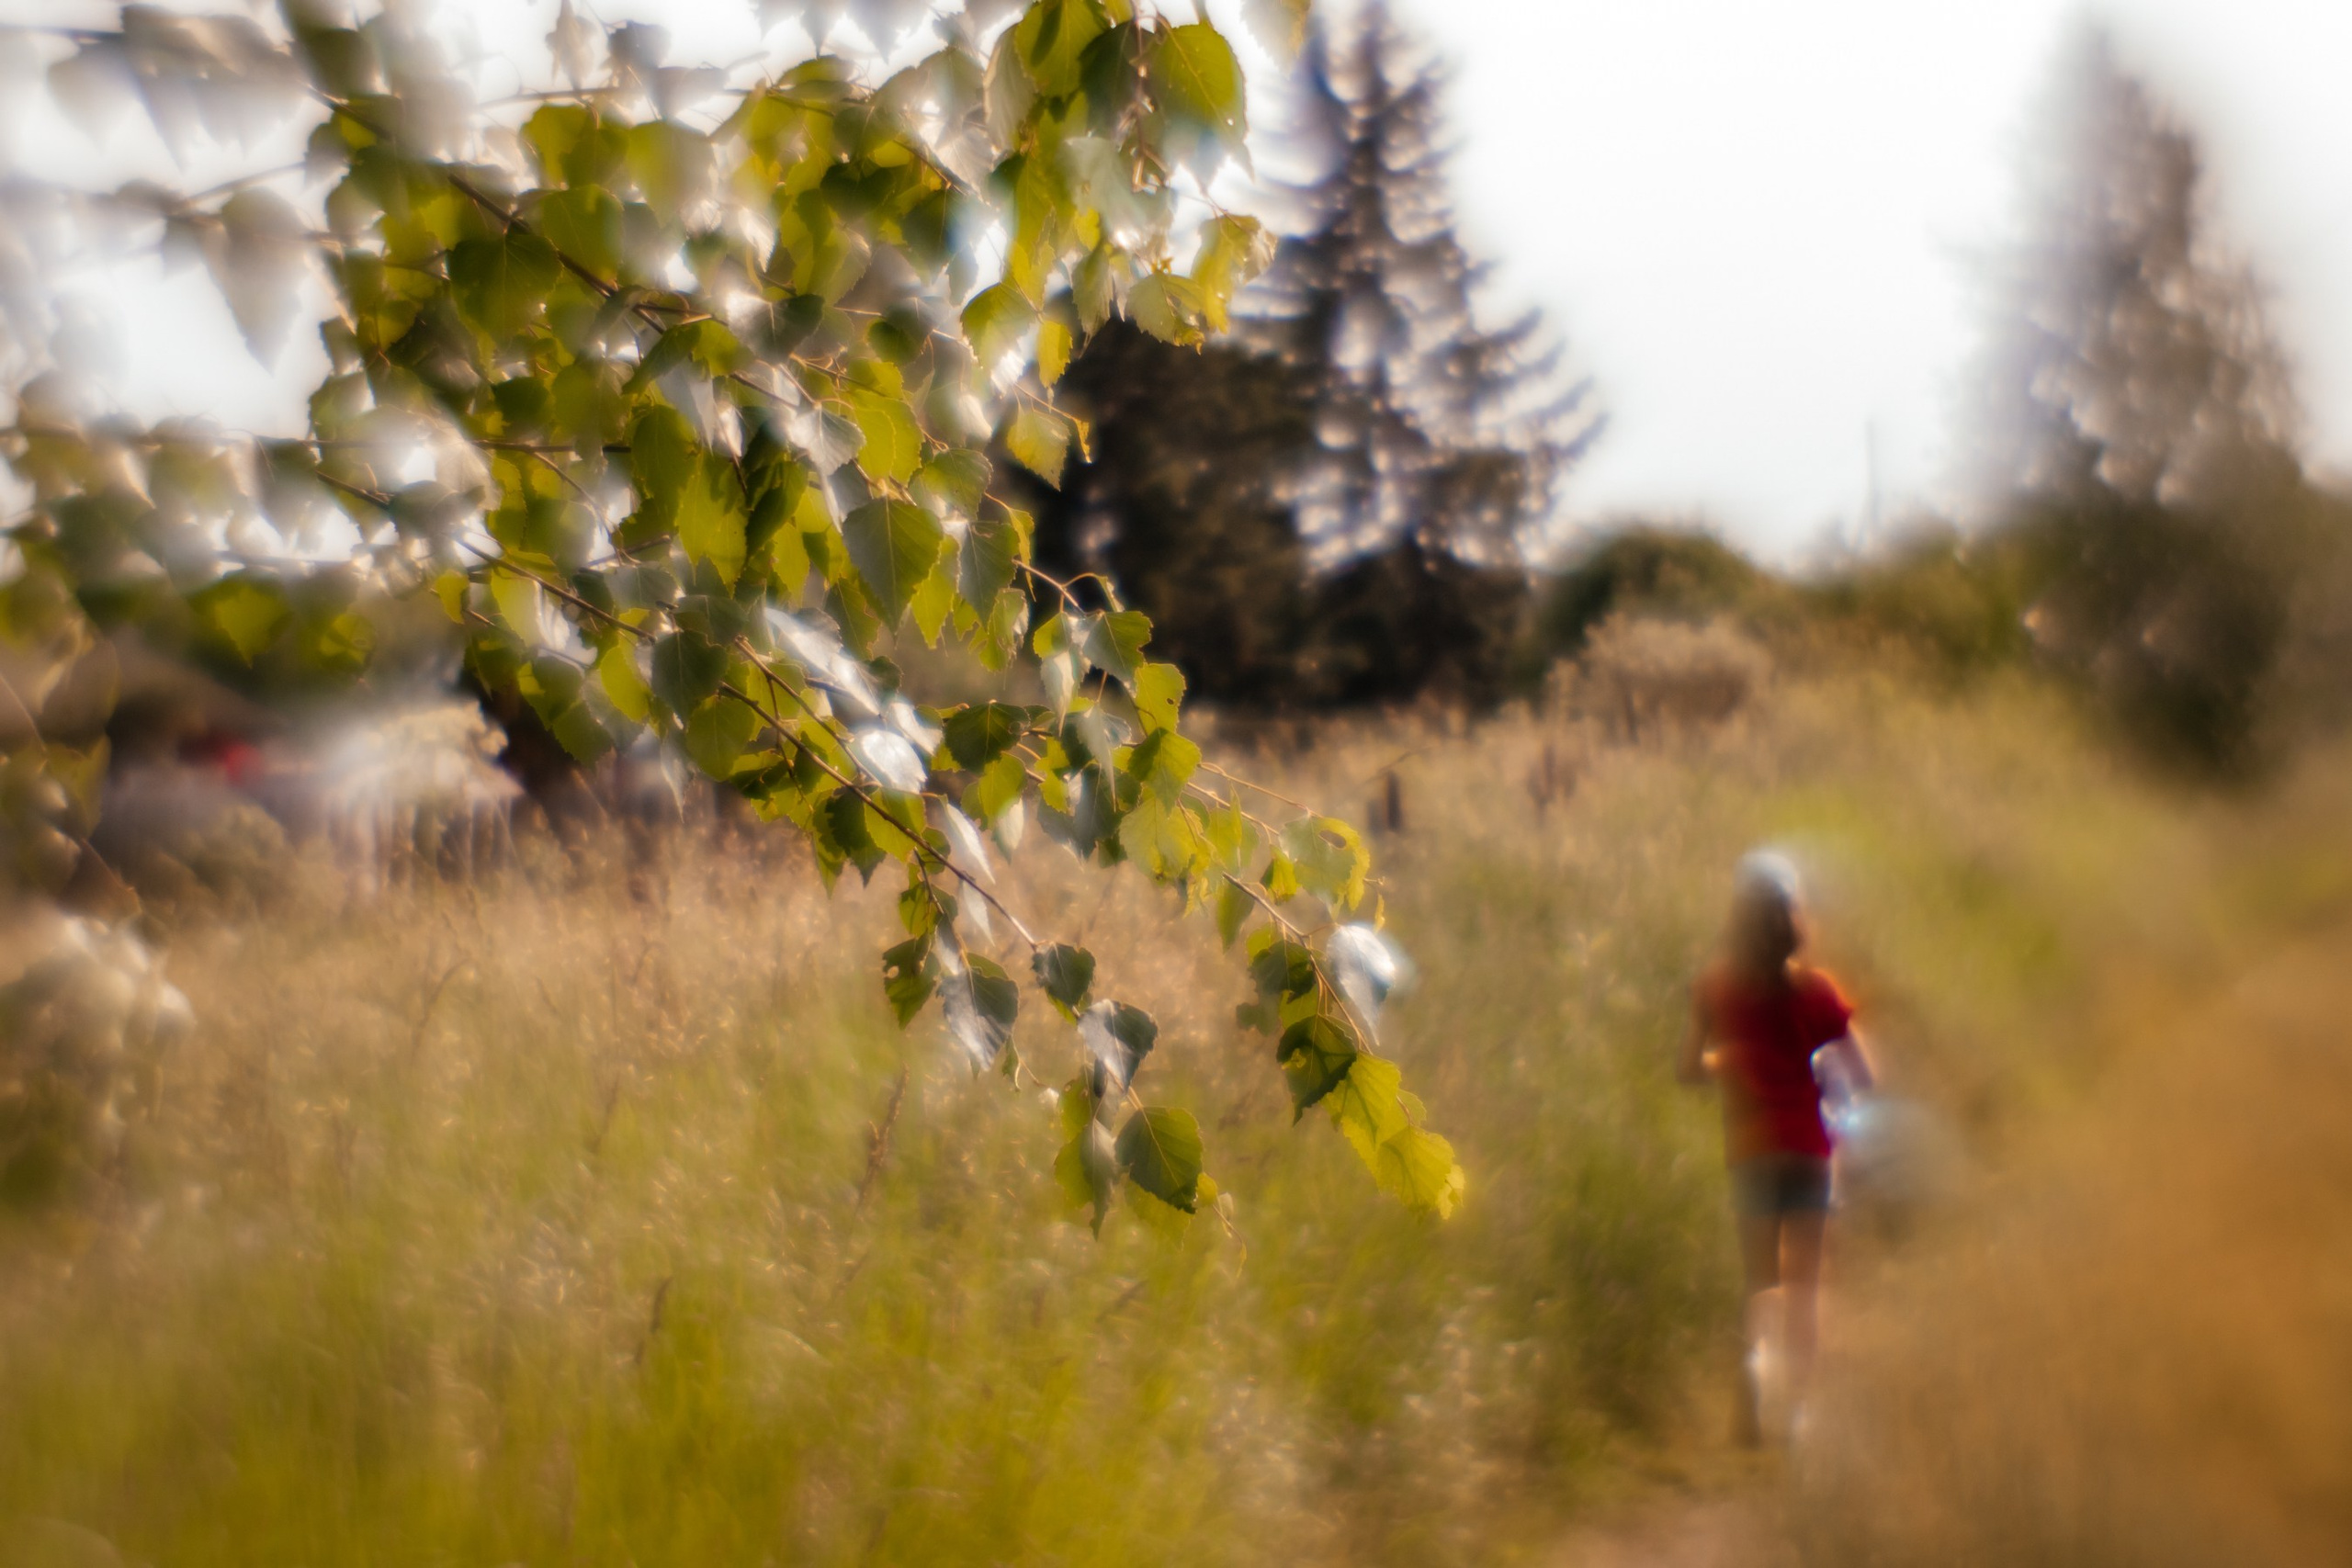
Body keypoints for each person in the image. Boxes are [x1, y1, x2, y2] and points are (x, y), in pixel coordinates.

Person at [1678, 850, 1874, 1445]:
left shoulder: (1716, 988)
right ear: (1795, 918)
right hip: (1811, 1152)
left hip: (1753, 1151)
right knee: (1806, 1291)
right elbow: (1864, 1076)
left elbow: (1689, 1069)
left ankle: (1754, 1380)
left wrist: (1728, 1061)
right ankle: (1798, 1416)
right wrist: (1827, 1081)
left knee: (1759, 1282)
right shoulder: (1818, 992)